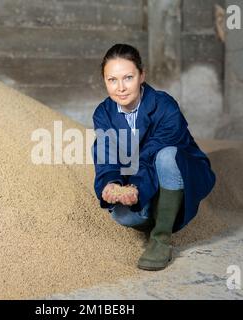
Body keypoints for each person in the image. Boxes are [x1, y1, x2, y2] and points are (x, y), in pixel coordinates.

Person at [92, 44, 216, 271]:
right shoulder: (103, 113)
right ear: (104, 81)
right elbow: (106, 153)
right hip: (140, 176)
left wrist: (136, 187)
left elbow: (150, 155)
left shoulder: (165, 106)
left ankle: (161, 237)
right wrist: (111, 183)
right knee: (122, 216)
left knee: (166, 155)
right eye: (112, 80)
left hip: (180, 170)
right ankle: (155, 212)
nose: (120, 88)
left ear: (142, 76)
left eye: (128, 77)